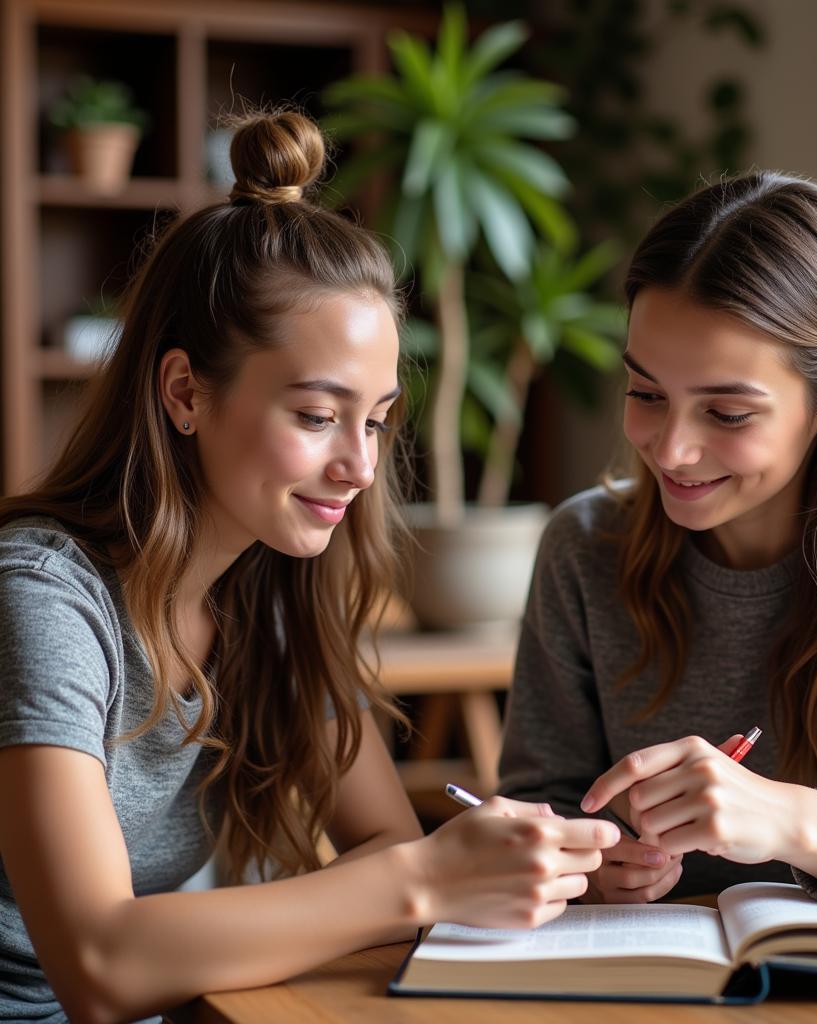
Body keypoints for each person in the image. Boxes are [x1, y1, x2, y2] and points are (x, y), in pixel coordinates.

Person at [0, 111, 618, 1023]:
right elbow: (99, 964)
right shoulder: (44, 599)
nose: (360, 468)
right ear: (185, 393)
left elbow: (381, 838)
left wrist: (423, 873)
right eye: (316, 416)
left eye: (372, 420)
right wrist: (423, 881)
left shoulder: (263, 597)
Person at [499, 171, 817, 918]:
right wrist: (576, 863)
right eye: (647, 395)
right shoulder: (583, 548)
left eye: (727, 412)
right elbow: (532, 815)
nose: (673, 449)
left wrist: (798, 822)